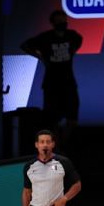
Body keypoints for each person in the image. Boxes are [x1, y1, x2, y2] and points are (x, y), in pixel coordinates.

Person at [20, 10, 83, 138]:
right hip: (51, 84)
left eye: (64, 20)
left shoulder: (72, 36)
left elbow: (79, 41)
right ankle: (56, 148)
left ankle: (65, 144)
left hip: (69, 83)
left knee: (73, 118)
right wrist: (40, 57)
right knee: (52, 120)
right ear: (53, 23)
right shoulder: (45, 37)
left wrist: (71, 52)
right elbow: (24, 45)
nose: (62, 23)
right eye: (58, 21)